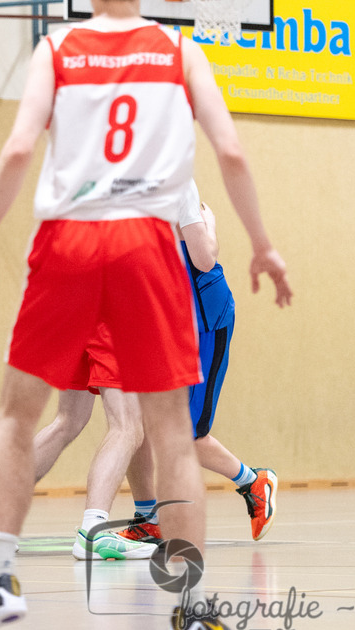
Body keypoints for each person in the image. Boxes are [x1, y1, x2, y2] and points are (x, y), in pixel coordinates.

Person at [0, 0, 291, 630]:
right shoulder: (179, 52)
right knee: (173, 438)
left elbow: (20, 146)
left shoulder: (58, 50)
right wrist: (264, 244)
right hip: (147, 247)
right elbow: (233, 151)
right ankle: (191, 610)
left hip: (67, 240)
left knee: (19, 416)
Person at [118, 182, 277, 545]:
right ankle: (148, 517)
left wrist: (210, 228)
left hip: (205, 318)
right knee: (134, 423)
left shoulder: (176, 181)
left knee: (187, 435)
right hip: (163, 318)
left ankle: (253, 482)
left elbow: (204, 259)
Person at [0, 326, 156, 562]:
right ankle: (94, 531)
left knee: (68, 420)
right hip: (111, 318)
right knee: (127, 426)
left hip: (76, 322)